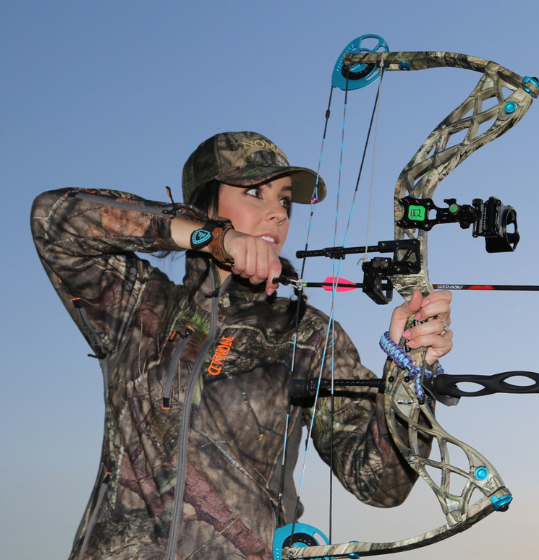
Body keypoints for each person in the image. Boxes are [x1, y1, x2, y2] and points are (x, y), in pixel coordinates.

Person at [31, 131, 454, 560]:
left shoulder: (305, 332)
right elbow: (53, 217)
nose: (278, 215)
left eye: (285, 201)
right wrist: (215, 238)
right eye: (255, 192)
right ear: (202, 206)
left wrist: (409, 369)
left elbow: (382, 484)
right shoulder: (140, 305)